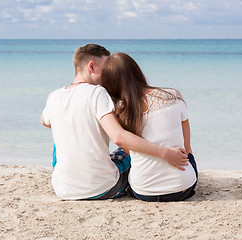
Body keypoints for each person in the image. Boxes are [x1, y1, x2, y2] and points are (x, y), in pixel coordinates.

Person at [41, 44, 189, 200]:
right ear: (91, 66)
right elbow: (118, 137)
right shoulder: (97, 92)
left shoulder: (54, 96)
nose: (109, 77)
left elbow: (45, 121)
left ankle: (70, 177)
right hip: (104, 187)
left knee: (60, 137)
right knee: (124, 151)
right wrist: (165, 153)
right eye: (106, 70)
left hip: (63, 189)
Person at [100, 52, 198, 202]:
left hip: (144, 192)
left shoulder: (119, 111)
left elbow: (131, 153)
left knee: (123, 153)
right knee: (187, 156)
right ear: (137, 71)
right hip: (182, 188)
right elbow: (187, 147)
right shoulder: (172, 95)